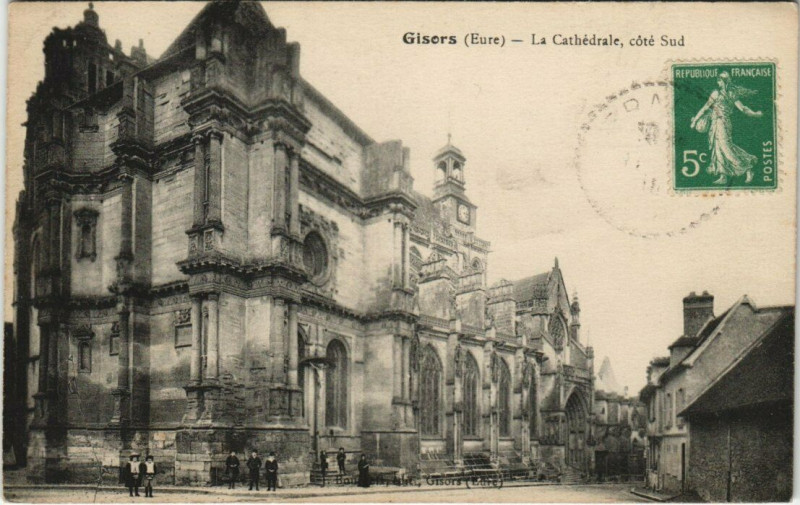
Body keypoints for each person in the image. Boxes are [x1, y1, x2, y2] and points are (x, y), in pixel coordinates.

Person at [690, 71, 763, 185]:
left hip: (723, 123)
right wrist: (695, 120)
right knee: (718, 148)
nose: (718, 82)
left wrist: (754, 114)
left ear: (724, 81)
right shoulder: (716, 93)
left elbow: (742, 108)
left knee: (726, 148)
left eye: (720, 80)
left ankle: (747, 168)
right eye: (718, 80)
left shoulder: (730, 94)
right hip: (715, 124)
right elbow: (705, 108)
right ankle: (723, 175)